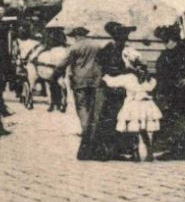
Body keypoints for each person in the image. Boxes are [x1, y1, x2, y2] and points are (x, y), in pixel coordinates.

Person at [85, 22, 137, 161]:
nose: (123, 40)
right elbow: (105, 68)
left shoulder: (127, 51)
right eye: (121, 37)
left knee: (122, 118)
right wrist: (123, 71)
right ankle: (102, 151)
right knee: (106, 119)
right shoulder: (108, 49)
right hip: (108, 87)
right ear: (115, 37)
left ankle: (118, 150)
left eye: (125, 38)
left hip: (122, 88)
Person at [152, 23, 185, 160]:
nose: (165, 44)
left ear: (172, 39)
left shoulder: (177, 54)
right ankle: (183, 148)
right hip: (180, 92)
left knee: (176, 120)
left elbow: (172, 73)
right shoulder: (179, 52)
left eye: (166, 41)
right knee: (183, 119)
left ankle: (176, 150)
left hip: (178, 93)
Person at [54, 26, 101, 158]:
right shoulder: (97, 45)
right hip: (95, 80)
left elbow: (63, 63)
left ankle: (86, 133)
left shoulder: (74, 47)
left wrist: (55, 74)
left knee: (81, 107)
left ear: (76, 36)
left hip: (79, 81)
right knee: (92, 108)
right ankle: (92, 131)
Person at [110, 52, 162, 161]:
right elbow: (152, 86)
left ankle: (136, 153)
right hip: (146, 105)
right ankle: (150, 152)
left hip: (133, 105)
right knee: (144, 129)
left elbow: (112, 82)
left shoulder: (128, 77)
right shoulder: (149, 78)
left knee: (133, 130)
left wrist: (105, 77)